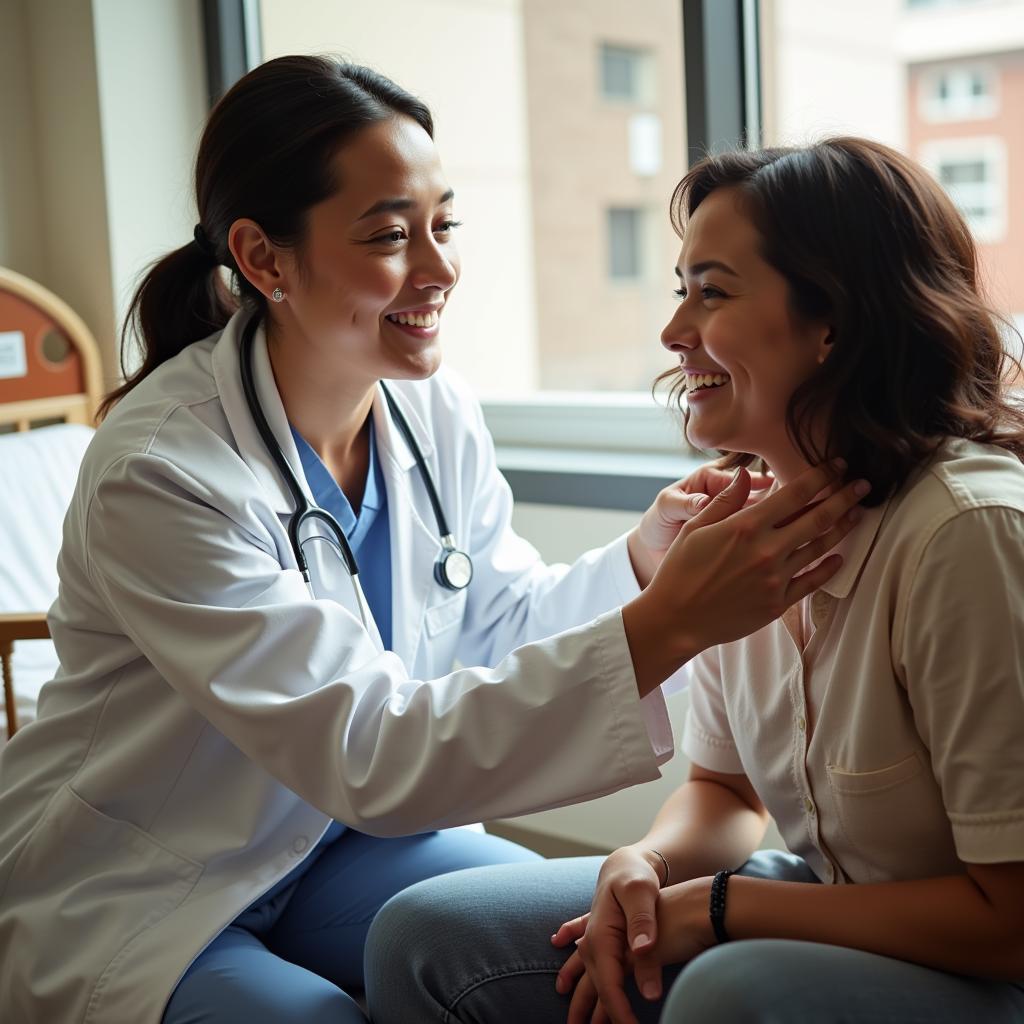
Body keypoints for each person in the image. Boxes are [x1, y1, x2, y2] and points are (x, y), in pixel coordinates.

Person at [0, 59, 864, 1024]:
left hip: (344, 843)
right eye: (389, 235)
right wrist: (669, 622)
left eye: (444, 225)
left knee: (564, 943)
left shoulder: (428, 407)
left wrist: (640, 565)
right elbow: (367, 749)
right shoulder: (162, 471)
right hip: (155, 876)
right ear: (264, 258)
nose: (441, 269)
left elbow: (494, 620)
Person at [364, 136, 1024, 1024]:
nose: (675, 335)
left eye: (711, 293)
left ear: (835, 320)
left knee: (727, 990)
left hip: (992, 969)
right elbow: (726, 792)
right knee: (427, 936)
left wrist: (723, 908)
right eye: (682, 292)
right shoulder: (749, 534)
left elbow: (1011, 923)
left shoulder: (965, 536)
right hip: (832, 896)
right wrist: (647, 864)